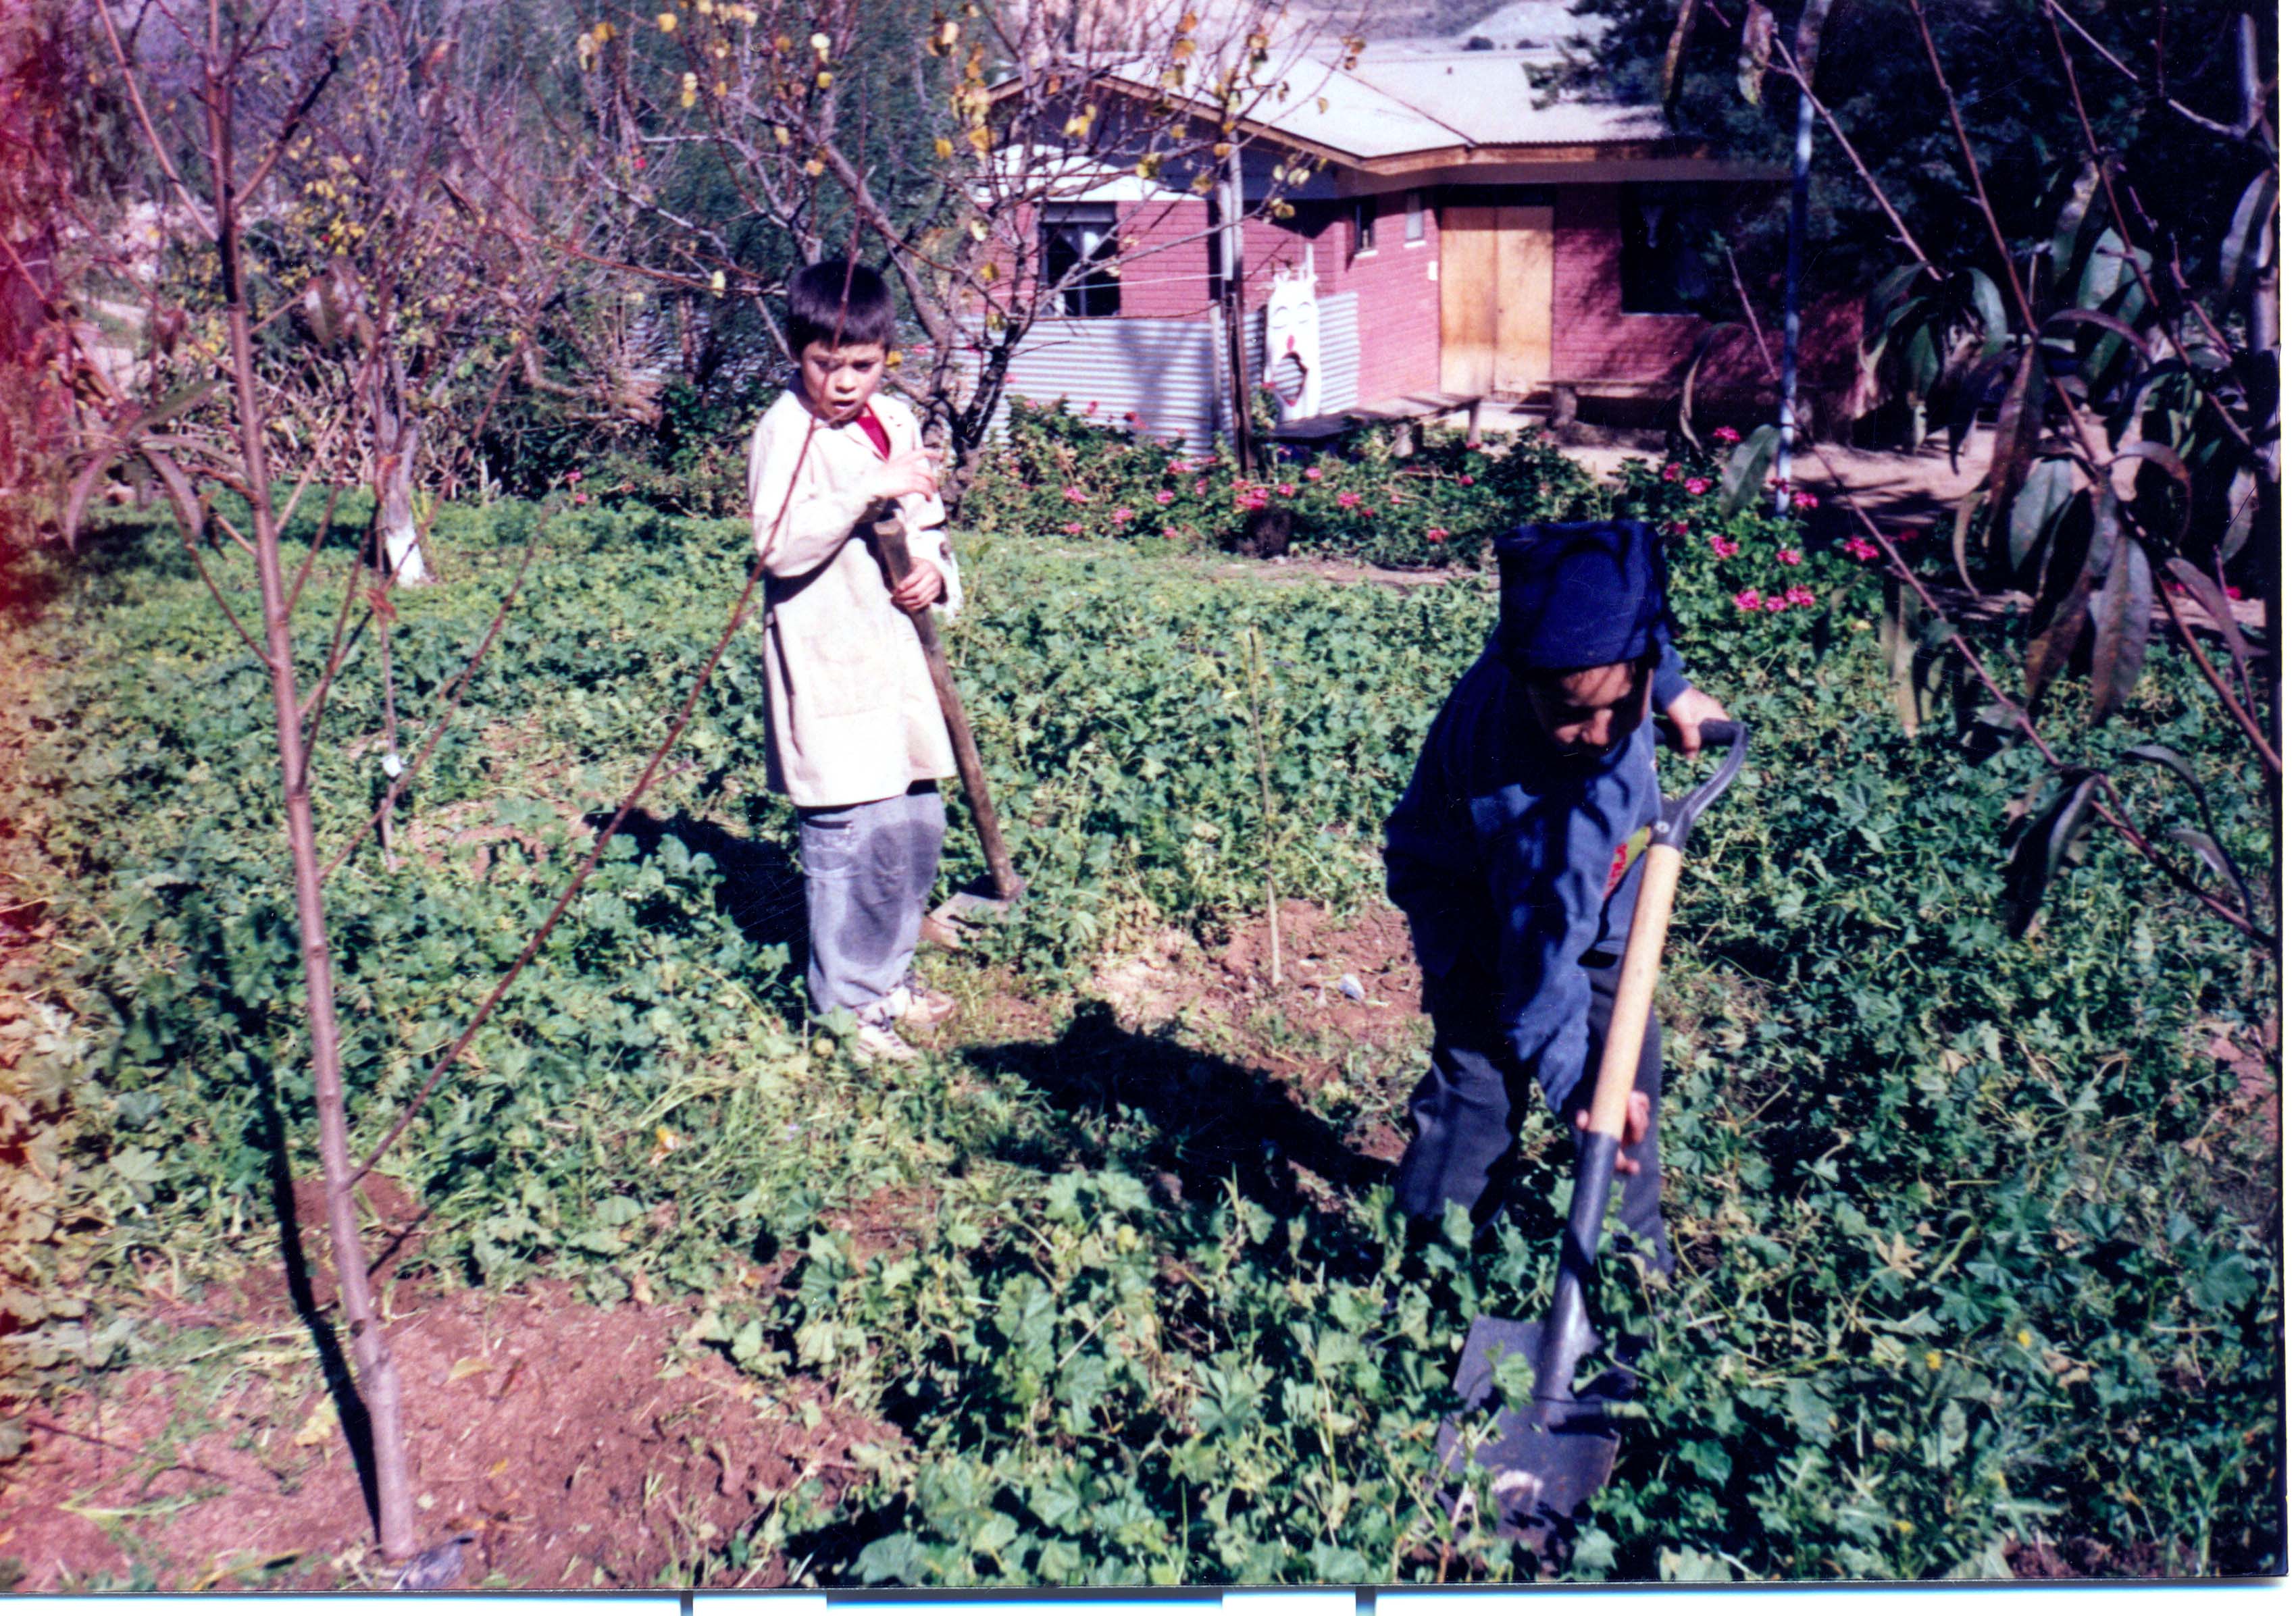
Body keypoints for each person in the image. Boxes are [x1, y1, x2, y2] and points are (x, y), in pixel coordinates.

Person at [1383, 519, 1729, 1278]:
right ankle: (1426, 1271)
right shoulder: (1543, 806)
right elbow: (1539, 978)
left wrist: (1668, 686)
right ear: (1521, 673)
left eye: (1621, 698)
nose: (1600, 732)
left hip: (1602, 883)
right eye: (1572, 713)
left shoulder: (1582, 644)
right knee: (1481, 1078)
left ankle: (1634, 1266)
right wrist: (1579, 1090)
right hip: (1474, 897)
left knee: (1628, 1064)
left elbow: (1646, 627)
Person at [746, 259, 960, 1062]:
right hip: (827, 659)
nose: (842, 383)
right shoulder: (784, 433)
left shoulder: (893, 421)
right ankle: (846, 1010)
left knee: (911, 827)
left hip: (896, 659)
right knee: (848, 836)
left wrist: (936, 571)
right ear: (797, 355)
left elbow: (926, 518)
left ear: (886, 357)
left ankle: (888, 976)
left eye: (861, 367)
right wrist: (866, 491)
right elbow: (776, 547)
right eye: (824, 365)